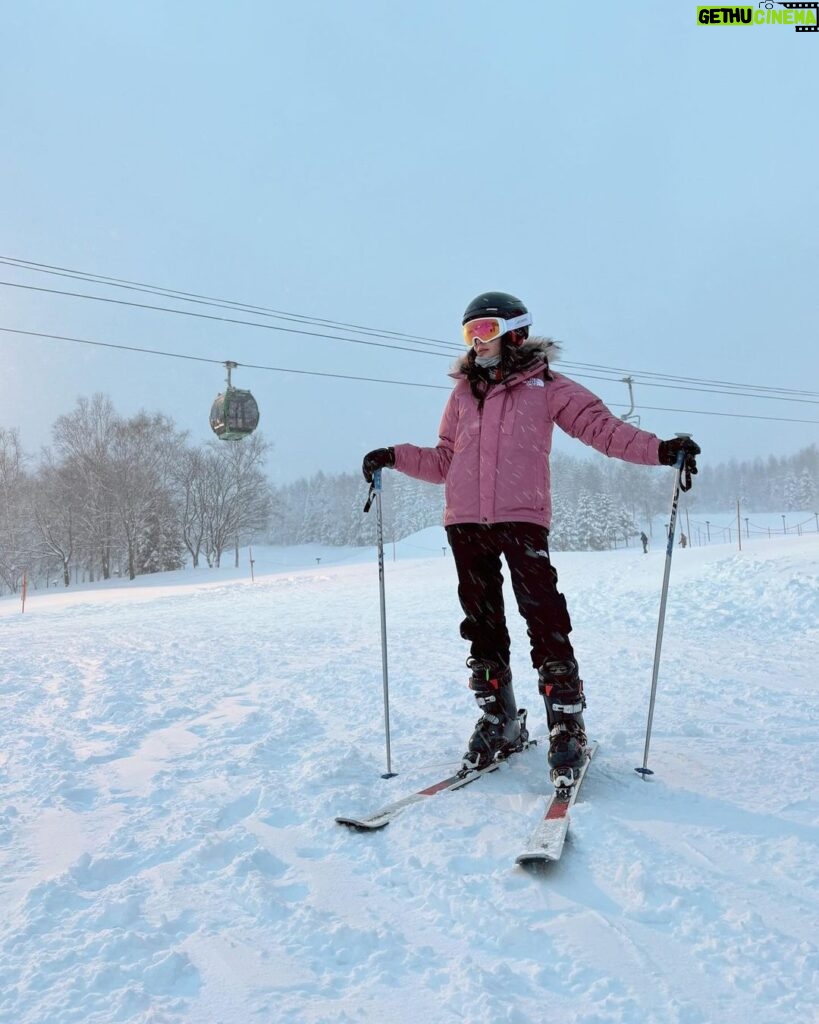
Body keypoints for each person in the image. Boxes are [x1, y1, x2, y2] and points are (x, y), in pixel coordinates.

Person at [362, 291, 700, 780]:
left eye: (485, 330)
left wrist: (660, 450)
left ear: (515, 331)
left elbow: (602, 429)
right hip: (465, 522)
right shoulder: (461, 394)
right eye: (468, 333)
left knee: (543, 614)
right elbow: (443, 459)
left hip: (522, 517)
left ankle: (566, 722)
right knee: (481, 623)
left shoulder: (548, 387)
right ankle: (499, 719)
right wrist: (393, 455)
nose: (476, 343)